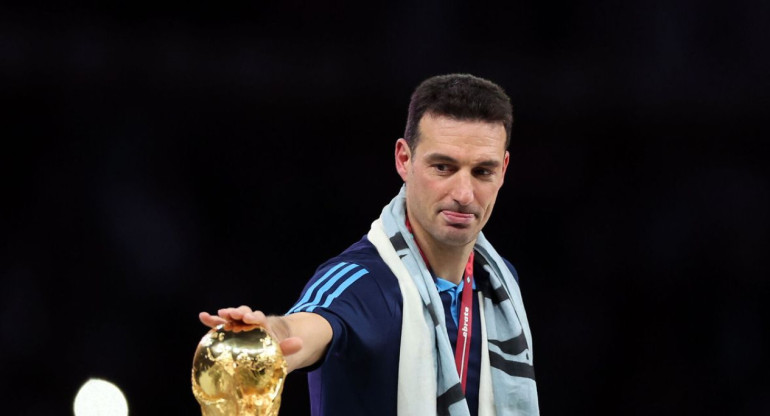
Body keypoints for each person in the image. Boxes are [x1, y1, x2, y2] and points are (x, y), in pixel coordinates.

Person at [200, 73, 539, 415]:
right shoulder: (360, 281)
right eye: (442, 167)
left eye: (482, 172)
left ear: (504, 169)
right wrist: (269, 335)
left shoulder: (498, 284)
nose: (464, 194)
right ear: (404, 160)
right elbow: (304, 327)